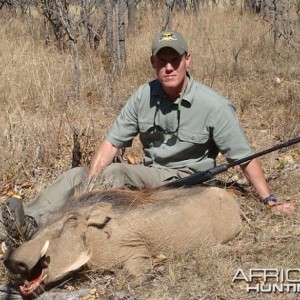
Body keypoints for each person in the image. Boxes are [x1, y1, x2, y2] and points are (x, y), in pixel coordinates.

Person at [1, 31, 294, 248]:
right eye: (162, 61)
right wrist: (89, 181)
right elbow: (111, 143)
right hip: (149, 176)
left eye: (175, 60)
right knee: (77, 174)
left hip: (185, 183)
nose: (169, 67)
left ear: (187, 60)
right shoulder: (144, 95)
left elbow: (244, 158)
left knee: (115, 172)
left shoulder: (214, 105)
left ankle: (43, 228)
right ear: (153, 62)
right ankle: (22, 220)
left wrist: (269, 200)